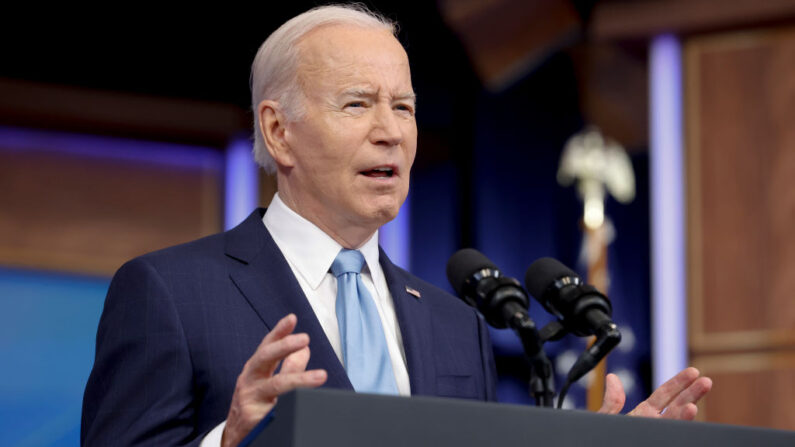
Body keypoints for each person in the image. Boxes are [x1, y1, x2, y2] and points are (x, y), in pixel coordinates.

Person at [81, 4, 711, 446]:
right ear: (279, 132)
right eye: (357, 104)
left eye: (403, 107)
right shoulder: (169, 293)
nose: (390, 130)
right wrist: (227, 444)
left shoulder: (455, 323)